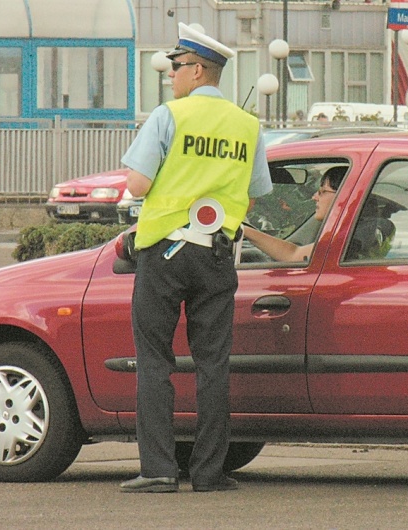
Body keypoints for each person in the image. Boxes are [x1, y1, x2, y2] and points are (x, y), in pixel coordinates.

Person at [119, 22, 272, 494]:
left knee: (154, 361)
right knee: (213, 365)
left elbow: (137, 185)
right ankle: (209, 473)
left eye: (175, 67)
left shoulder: (169, 116)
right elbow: (258, 190)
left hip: (165, 252)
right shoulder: (248, 126)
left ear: (199, 70)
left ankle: (160, 470)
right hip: (218, 257)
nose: (169, 75)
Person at [243, 166, 345, 262]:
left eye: (322, 191)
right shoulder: (347, 234)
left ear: (343, 194)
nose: (314, 197)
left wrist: (242, 229)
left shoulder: (344, 240)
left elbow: (293, 255)